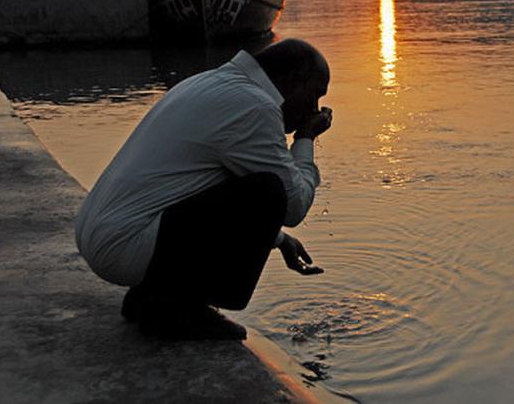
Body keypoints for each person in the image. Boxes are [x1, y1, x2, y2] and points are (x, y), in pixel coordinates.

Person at [74, 38, 333, 340]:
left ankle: (153, 294)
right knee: (268, 190)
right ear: (292, 80)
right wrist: (305, 138)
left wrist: (276, 239)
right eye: (314, 95)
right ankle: (181, 309)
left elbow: (202, 183)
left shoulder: (209, 82)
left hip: (105, 235)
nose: (314, 108)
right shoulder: (255, 107)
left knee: (250, 180)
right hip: (127, 246)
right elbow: (293, 206)